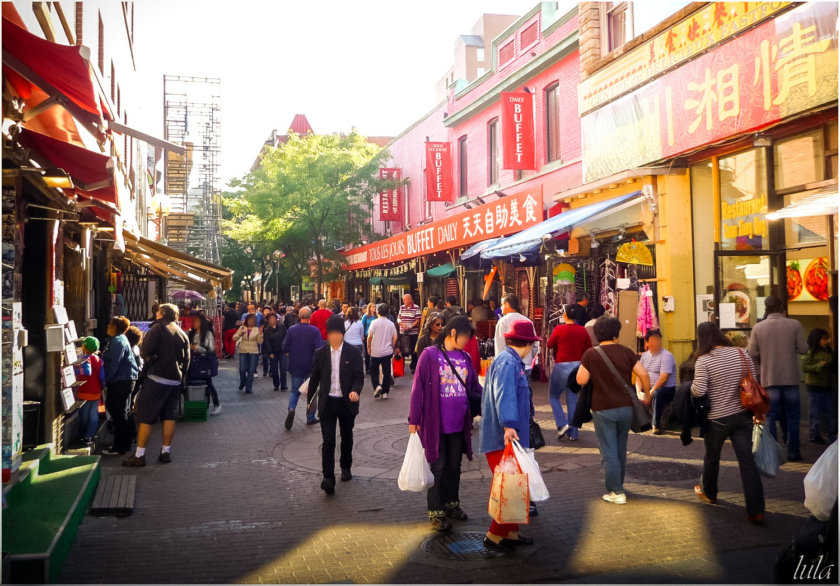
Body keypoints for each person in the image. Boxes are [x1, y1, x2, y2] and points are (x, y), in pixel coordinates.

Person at [409, 316, 482, 531]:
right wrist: (414, 420)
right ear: (452, 333)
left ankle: (452, 504)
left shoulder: (465, 357)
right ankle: (436, 510)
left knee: (454, 467)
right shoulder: (429, 355)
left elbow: (474, 387)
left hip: (460, 423)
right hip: (436, 423)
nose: (467, 341)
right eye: (465, 336)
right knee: (438, 467)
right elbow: (417, 389)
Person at [691, 322, 765, 524]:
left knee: (712, 457)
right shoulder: (741, 353)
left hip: (717, 418)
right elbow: (753, 378)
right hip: (742, 414)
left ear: (701, 339)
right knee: (747, 462)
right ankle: (756, 510)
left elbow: (699, 390)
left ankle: (709, 493)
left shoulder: (704, 360)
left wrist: (689, 389)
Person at [576, 316, 651, 505]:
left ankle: (616, 491)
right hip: (626, 408)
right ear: (616, 333)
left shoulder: (591, 354)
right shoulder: (626, 352)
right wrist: (647, 395)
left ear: (597, 334)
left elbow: (581, 380)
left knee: (608, 451)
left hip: (603, 409)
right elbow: (643, 373)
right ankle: (619, 485)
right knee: (620, 449)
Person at [479, 320, 539, 553]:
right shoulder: (508, 362)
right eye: (532, 345)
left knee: (515, 485)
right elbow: (505, 395)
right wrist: (509, 425)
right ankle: (494, 535)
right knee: (509, 487)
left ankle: (511, 532)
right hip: (503, 437)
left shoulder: (509, 361)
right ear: (525, 344)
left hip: (509, 436)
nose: (532, 349)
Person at [123, 304, 190, 467]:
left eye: (158, 312)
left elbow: (145, 350)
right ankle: (165, 452)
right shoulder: (182, 333)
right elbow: (187, 360)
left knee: (146, 416)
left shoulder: (158, 328)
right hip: (175, 380)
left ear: (161, 314)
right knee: (169, 416)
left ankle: (139, 455)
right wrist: (182, 379)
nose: (156, 315)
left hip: (157, 378)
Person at [307, 316, 364, 495]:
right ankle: (328, 477)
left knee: (346, 437)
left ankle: (346, 467)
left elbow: (359, 376)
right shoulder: (321, 353)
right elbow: (314, 378)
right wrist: (310, 402)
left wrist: (355, 391)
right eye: (331, 333)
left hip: (346, 403)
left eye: (337, 333)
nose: (333, 337)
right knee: (328, 441)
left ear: (342, 333)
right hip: (327, 402)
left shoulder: (353, 353)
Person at [747, 295, 808, 461]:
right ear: (782, 307)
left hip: (769, 378)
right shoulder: (794, 324)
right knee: (793, 415)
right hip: (791, 378)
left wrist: (763, 361)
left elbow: (752, 353)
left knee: (770, 417)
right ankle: (793, 451)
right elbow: (803, 348)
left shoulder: (758, 328)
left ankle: (773, 453)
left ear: (766, 309)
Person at [546, 304, 592, 441]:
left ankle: (562, 424)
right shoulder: (582, 330)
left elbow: (549, 344)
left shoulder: (559, 329)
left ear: (564, 315)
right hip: (577, 367)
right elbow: (588, 348)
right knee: (572, 399)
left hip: (561, 366)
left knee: (554, 396)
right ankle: (573, 433)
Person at [101, 317, 139, 456]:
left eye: (110, 324)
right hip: (125, 379)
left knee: (118, 412)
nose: (107, 327)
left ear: (115, 327)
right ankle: (126, 443)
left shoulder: (117, 341)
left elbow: (114, 363)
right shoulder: (120, 339)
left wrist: (107, 380)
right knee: (123, 412)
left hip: (121, 380)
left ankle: (120, 446)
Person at [282, 307, 324, 429]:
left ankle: (291, 408)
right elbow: (319, 349)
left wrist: (289, 352)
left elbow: (285, 347)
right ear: (310, 317)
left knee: (295, 391)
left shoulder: (292, 330)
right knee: (312, 392)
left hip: (295, 364)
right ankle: (310, 416)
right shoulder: (314, 331)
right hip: (311, 366)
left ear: (299, 316)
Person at [801, 328, 837, 445]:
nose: (826, 341)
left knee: (830, 414)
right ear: (817, 339)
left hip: (826, 386)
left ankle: (833, 436)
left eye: (827, 338)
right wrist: (819, 366)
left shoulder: (829, 351)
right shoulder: (809, 351)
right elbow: (805, 367)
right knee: (814, 414)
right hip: (814, 386)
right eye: (824, 339)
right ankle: (814, 435)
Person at [640, 330, 677, 435]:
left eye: (658, 340)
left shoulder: (666, 356)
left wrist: (649, 393)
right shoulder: (645, 356)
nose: (656, 343)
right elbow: (639, 375)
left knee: (657, 393)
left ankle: (656, 425)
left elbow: (663, 379)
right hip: (648, 386)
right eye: (653, 341)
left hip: (666, 389)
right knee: (630, 389)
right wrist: (639, 391)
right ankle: (638, 421)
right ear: (647, 343)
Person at [494, 294, 539, 370]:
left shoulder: (503, 322)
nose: (501, 308)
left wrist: (500, 364)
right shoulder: (528, 321)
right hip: (527, 366)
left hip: (508, 366)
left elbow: (500, 346)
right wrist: (529, 358)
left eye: (502, 304)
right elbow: (535, 344)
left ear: (507, 304)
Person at [188, 315, 221, 415]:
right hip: (194, 362)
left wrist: (196, 347)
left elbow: (210, 350)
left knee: (208, 383)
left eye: (196, 321)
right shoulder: (192, 333)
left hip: (205, 362)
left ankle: (217, 405)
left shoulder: (208, 334)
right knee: (199, 383)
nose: (194, 323)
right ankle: (204, 405)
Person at [75, 336, 104, 445]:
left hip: (84, 392)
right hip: (96, 392)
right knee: (93, 416)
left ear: (84, 347)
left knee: (84, 416)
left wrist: (75, 371)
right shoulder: (99, 360)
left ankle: (82, 435)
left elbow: (87, 372)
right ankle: (90, 436)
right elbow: (102, 377)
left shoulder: (85, 359)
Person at [367, 303, 398, 399]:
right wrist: (391, 346)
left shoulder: (374, 323)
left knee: (374, 371)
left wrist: (369, 347)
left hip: (376, 351)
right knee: (386, 372)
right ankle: (385, 392)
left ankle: (377, 386)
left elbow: (370, 336)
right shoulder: (391, 323)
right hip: (387, 352)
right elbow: (395, 337)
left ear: (378, 311)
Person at [233, 314, 263, 394]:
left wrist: (260, 334)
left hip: (253, 351)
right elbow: (234, 338)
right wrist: (240, 334)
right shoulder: (242, 328)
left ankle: (248, 387)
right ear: (247, 320)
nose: (251, 322)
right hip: (243, 350)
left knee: (251, 370)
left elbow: (260, 342)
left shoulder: (257, 329)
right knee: (242, 369)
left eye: (253, 320)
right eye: (250, 320)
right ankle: (243, 382)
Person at [261, 313, 288, 392]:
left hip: (282, 350)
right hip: (273, 351)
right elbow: (267, 342)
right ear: (268, 320)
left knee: (283, 368)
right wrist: (270, 353)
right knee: (274, 369)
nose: (272, 320)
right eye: (270, 319)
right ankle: (276, 384)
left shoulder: (282, 327)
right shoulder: (266, 330)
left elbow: (286, 338)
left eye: (274, 318)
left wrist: (287, 349)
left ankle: (284, 385)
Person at [398, 293, 422, 371]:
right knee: (402, 350)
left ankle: (413, 367)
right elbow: (398, 318)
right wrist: (401, 324)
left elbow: (418, 320)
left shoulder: (416, 308)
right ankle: (401, 367)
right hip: (403, 332)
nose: (403, 301)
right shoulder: (402, 307)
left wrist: (410, 326)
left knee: (413, 350)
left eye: (404, 299)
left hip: (413, 333)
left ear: (409, 299)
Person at [361, 302, 377, 373]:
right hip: (367, 335)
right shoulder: (366, 316)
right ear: (369, 308)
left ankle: (374, 367)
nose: (374, 308)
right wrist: (363, 335)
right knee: (368, 352)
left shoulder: (377, 316)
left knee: (375, 352)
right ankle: (368, 368)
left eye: (375, 306)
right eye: (373, 307)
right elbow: (362, 326)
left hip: (376, 336)